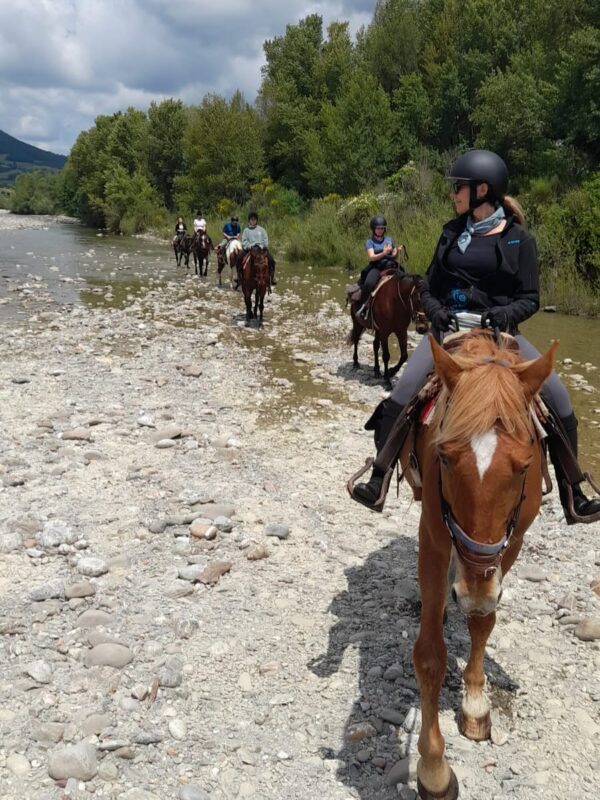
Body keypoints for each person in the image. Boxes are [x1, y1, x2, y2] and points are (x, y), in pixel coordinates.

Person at [352, 149, 600, 524]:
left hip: (501, 335)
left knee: (560, 399)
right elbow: (430, 286)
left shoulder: (519, 240)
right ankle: (379, 476)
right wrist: (435, 313)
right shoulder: (451, 233)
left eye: (459, 188)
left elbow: (530, 298)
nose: (453, 195)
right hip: (448, 331)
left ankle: (574, 492)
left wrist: (501, 315)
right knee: (403, 393)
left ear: (482, 189)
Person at [356, 215, 402, 318]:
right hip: (377, 266)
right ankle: (363, 307)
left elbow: (394, 256)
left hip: (390, 265)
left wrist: (397, 251)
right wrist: (384, 252)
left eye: (382, 228)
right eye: (378, 228)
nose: (380, 230)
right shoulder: (370, 242)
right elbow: (372, 257)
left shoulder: (389, 240)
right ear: (373, 229)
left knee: (406, 281)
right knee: (368, 284)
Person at [236, 211, 276, 287]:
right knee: (239, 258)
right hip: (250, 249)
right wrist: (249, 246)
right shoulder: (246, 230)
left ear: (256, 220)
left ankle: (271, 278)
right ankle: (239, 277)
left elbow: (265, 240)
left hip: (261, 250)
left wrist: (262, 246)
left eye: (254, 219)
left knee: (271, 260)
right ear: (249, 220)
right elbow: (244, 241)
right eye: (251, 219)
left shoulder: (262, 230)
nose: (253, 221)